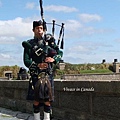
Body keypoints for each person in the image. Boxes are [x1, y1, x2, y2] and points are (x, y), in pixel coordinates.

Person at [22, 20, 63, 120]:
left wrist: (54, 59)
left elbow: (59, 52)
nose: (39, 30)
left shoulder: (49, 42)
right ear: (33, 30)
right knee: (36, 99)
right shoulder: (29, 44)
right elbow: (26, 60)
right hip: (36, 74)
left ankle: (47, 118)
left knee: (47, 99)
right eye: (37, 28)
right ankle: (36, 118)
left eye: (41, 28)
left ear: (43, 29)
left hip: (48, 74)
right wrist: (37, 66)